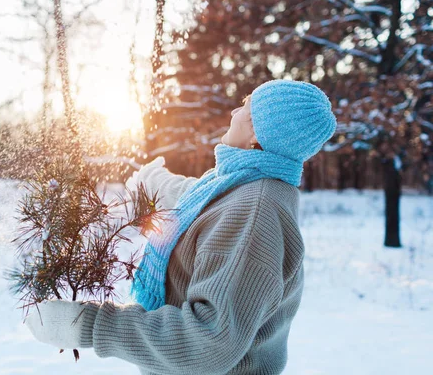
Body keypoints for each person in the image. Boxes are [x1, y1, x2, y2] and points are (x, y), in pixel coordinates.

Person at [25, 79, 337, 375]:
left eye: (245, 106)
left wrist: (90, 325)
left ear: (258, 132)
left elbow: (208, 341)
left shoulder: (255, 211)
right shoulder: (250, 185)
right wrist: (160, 186)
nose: (234, 112)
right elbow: (211, 206)